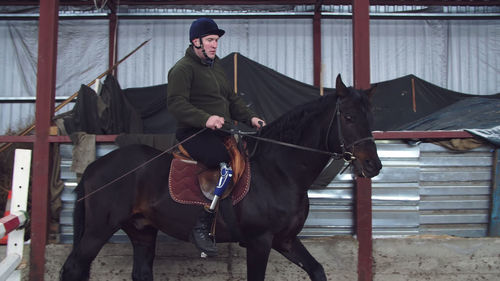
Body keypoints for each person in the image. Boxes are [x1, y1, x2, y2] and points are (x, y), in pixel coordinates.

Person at [166, 17, 265, 257]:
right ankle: (202, 224)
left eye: (216, 41)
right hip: (194, 133)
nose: (214, 45)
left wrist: (250, 117)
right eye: (210, 40)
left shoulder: (216, 67)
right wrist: (205, 119)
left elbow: (231, 100)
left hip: (220, 131)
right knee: (224, 164)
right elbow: (175, 103)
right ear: (196, 41)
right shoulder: (182, 69)